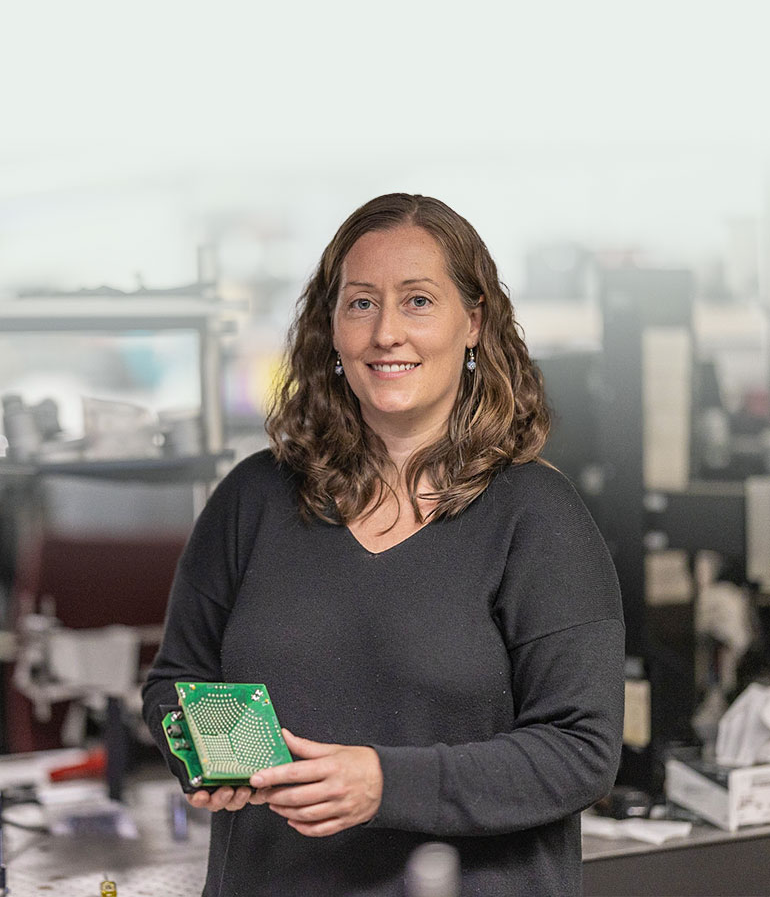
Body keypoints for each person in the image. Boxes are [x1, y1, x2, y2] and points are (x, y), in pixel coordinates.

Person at [142, 192, 625, 897]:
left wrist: (384, 783)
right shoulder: (254, 498)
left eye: (419, 301)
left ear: (474, 321)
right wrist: (217, 757)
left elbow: (581, 752)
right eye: (361, 303)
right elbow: (178, 680)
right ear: (331, 328)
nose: (386, 332)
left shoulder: (537, 516)